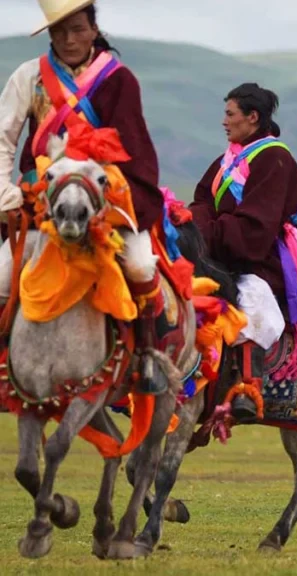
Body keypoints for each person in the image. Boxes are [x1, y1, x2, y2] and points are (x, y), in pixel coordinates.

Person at [0, 0, 172, 393]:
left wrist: (117, 206)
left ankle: (147, 358)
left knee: (143, 266)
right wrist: (6, 194)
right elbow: (3, 138)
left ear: (94, 29)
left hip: (106, 203)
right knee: (1, 279)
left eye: (77, 29)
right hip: (42, 206)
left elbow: (135, 148)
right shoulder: (29, 77)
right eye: (59, 31)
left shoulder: (119, 80)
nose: (68, 39)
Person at [190, 82, 297, 421]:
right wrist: (197, 227)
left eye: (230, 114)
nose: (224, 122)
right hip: (217, 249)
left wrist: (209, 229)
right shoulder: (226, 159)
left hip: (262, 254)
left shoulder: (275, 159)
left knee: (253, 301)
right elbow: (201, 200)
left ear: (252, 117)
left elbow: (257, 224)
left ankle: (247, 386)